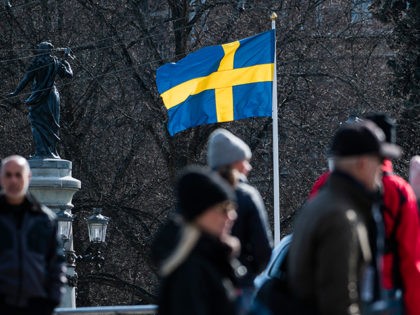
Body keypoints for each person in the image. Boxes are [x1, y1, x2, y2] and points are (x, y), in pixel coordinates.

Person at [309, 114, 420, 315]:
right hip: (388, 294)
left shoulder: (325, 186)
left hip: (332, 293)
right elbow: (411, 260)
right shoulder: (399, 190)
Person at [289, 120, 401, 315]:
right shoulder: (341, 217)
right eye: (379, 162)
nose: (380, 171)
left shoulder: (324, 202)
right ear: (362, 164)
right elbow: (338, 302)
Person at [151, 165, 241, 315]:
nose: (231, 216)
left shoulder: (207, 260)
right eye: (224, 208)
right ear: (200, 214)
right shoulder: (191, 270)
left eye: (232, 208)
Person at [207, 128, 273, 315]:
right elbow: (264, 251)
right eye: (245, 162)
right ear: (235, 164)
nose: (248, 168)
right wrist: (248, 271)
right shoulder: (246, 195)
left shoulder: (196, 195)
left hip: (201, 289)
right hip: (239, 288)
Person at [0, 155, 66, 315]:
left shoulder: (46, 219)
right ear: (1, 178)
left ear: (28, 177)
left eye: (18, 175)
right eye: (8, 175)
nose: (13, 181)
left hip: (37, 307)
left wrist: (52, 300)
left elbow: (56, 263)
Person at [8, 41, 73, 159]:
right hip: (52, 96)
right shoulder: (56, 62)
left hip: (38, 97)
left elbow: (26, 79)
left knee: (37, 123)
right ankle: (51, 152)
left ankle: (41, 152)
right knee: (51, 125)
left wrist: (16, 92)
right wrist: (66, 62)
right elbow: (69, 75)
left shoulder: (37, 62)